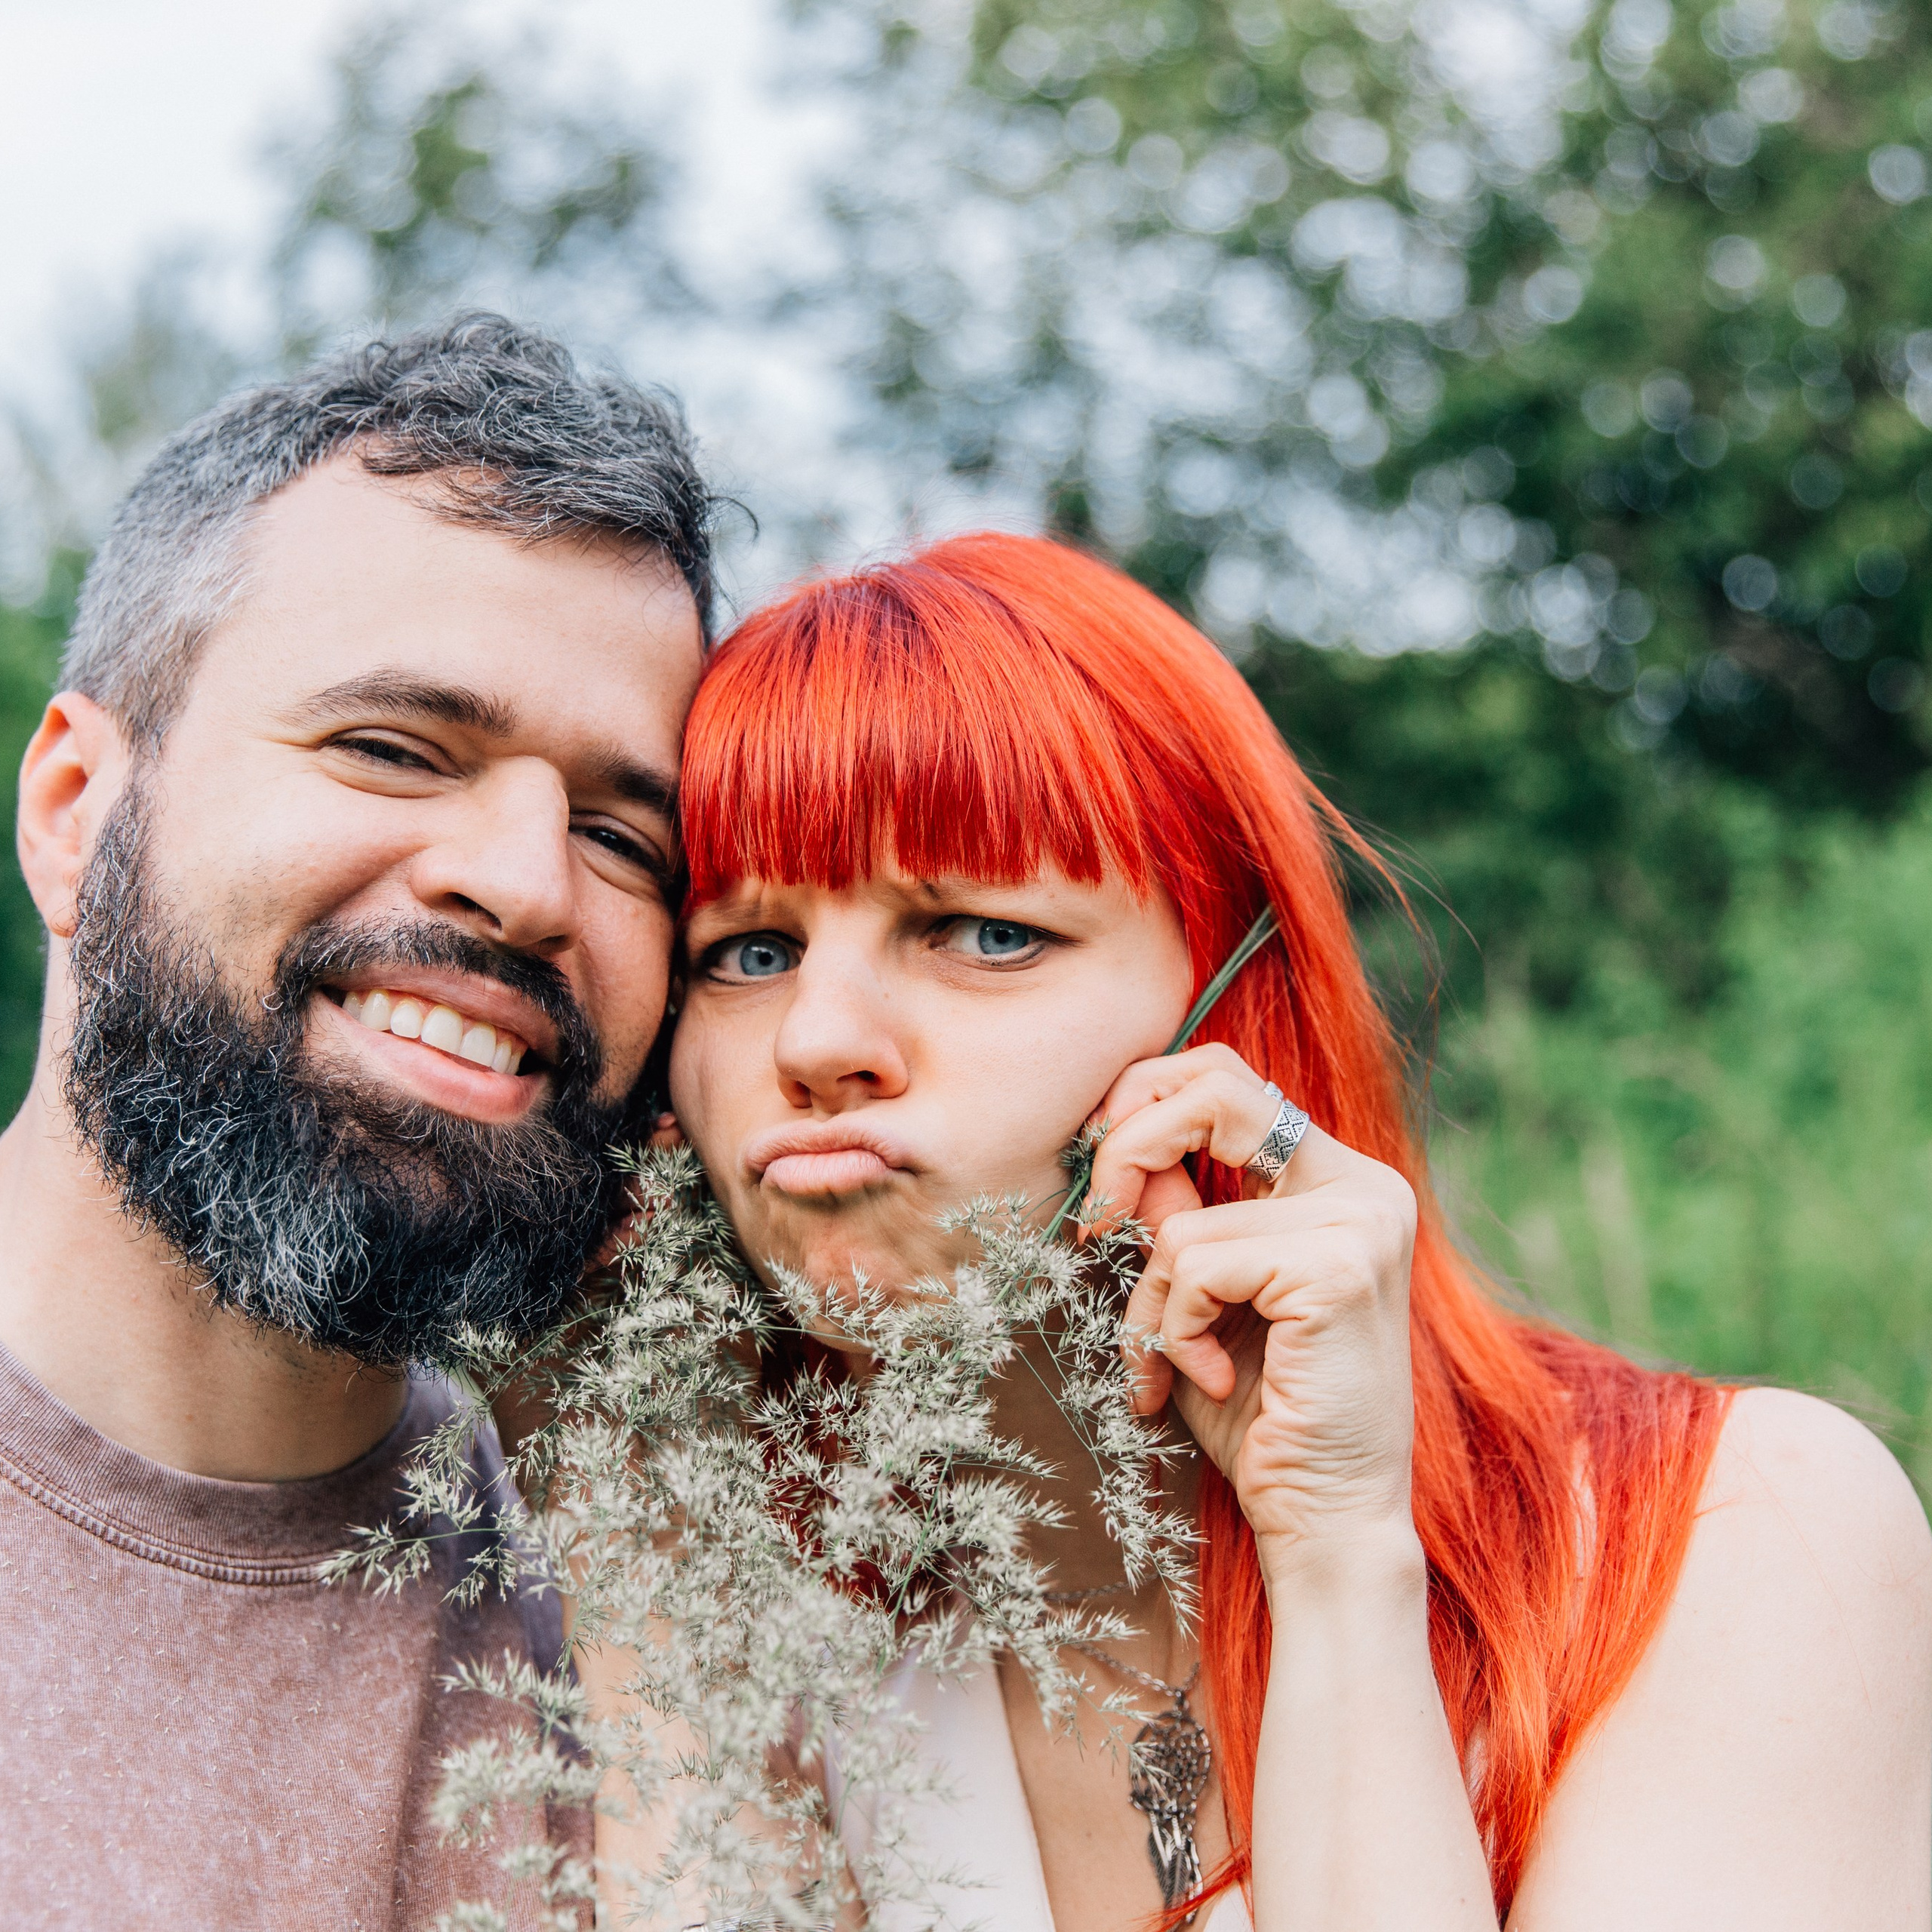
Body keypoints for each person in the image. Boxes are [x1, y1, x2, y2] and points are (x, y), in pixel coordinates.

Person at [636, 531, 1932, 1929]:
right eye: (748, 953)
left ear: (1235, 1005)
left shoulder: (1725, 1542)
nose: (821, 1042)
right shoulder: (737, 1626)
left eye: (982, 931)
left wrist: (1339, 1569)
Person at [0, 315, 712, 1928]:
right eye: (393, 747)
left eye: (622, 835)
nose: (527, 884)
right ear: (74, 810)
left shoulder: (675, 1611)